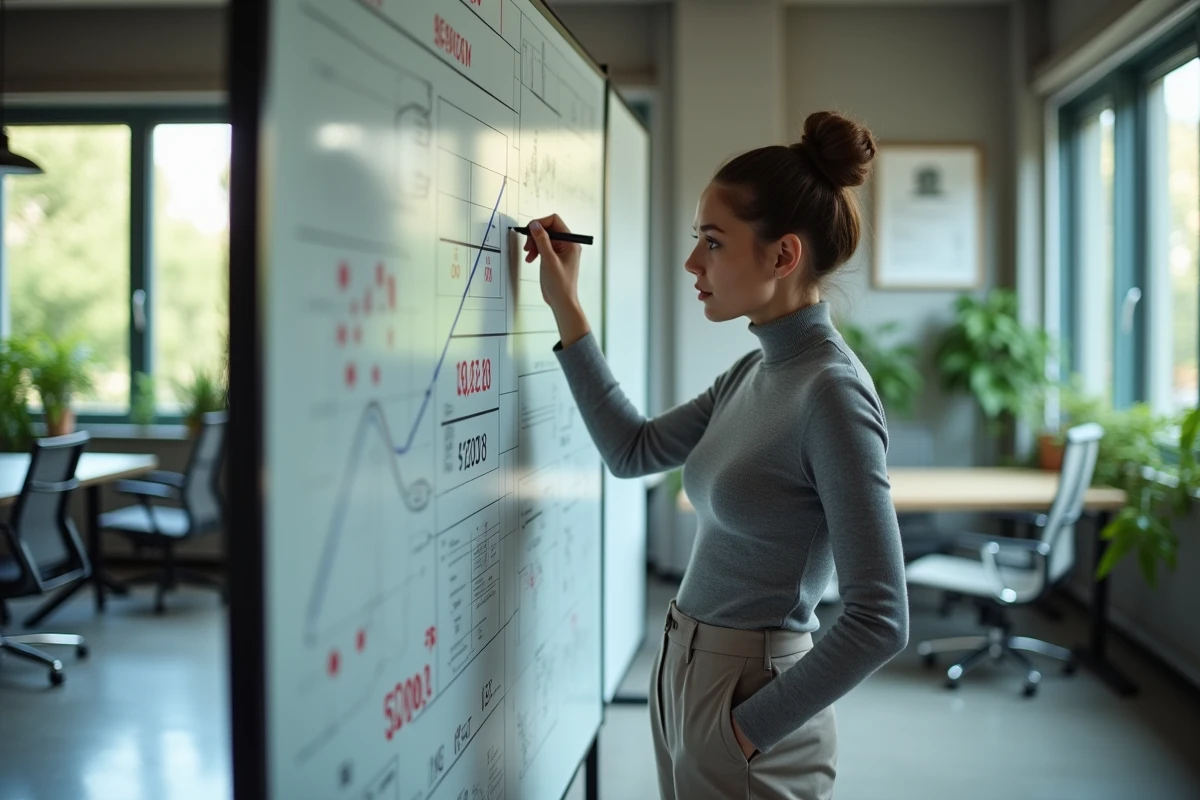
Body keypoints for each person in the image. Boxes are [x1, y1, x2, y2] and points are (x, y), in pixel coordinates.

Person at [523, 110, 910, 800]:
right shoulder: (753, 372)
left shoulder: (832, 394)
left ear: (783, 255)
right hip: (686, 671)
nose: (692, 264)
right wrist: (566, 308)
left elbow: (880, 617)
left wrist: (745, 729)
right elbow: (632, 450)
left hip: (750, 699)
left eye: (712, 243)